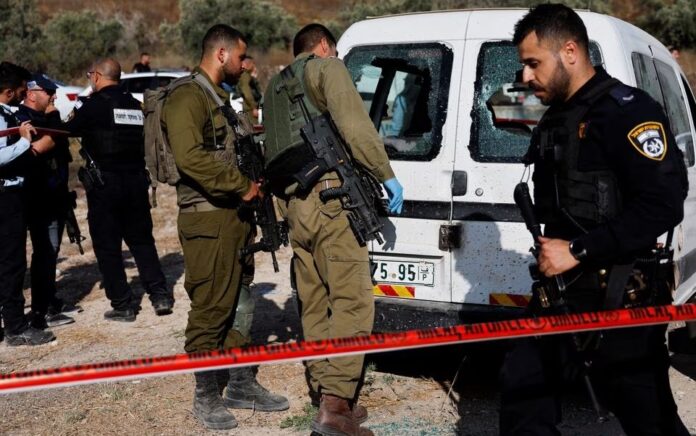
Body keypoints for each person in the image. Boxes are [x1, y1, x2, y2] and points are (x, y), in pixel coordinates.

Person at [499, 5, 690, 435]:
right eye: (522, 65)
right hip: (559, 291)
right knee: (523, 395)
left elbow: (663, 205)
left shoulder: (627, 111)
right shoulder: (547, 107)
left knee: (647, 415)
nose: (526, 77)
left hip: (620, 293)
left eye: (533, 63)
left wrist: (578, 250)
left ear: (571, 51)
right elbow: (490, 111)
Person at [263, 24, 404, 436]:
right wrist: (386, 173)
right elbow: (356, 126)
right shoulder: (327, 69)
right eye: (335, 50)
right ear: (324, 46)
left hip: (295, 207)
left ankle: (325, 392)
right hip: (331, 203)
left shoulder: (274, 88)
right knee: (352, 301)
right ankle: (337, 406)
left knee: (314, 301)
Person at [161, 24, 288, 430]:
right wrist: (241, 186)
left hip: (234, 217)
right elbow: (190, 158)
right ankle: (206, 395)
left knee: (240, 300)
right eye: (239, 56)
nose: (243, 64)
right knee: (212, 305)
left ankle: (239, 381)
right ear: (221, 54)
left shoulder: (220, 98)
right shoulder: (186, 97)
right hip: (208, 219)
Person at [64, 58, 173, 322]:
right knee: (142, 242)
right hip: (136, 182)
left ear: (98, 76)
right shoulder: (135, 106)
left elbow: (67, 130)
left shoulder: (92, 107)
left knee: (107, 246)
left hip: (105, 185)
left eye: (91, 75)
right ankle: (159, 295)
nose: (90, 79)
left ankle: (123, 304)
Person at [15, 74, 79, 329]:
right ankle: (37, 312)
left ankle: (47, 301)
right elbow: (33, 152)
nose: (53, 96)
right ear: (31, 94)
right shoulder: (20, 120)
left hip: (53, 197)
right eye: (48, 91)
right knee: (30, 258)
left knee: (48, 254)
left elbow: (60, 140)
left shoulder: (48, 117)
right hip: (30, 199)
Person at [0, 62, 57, 346]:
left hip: (13, 195)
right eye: (22, 90)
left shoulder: (8, 113)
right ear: (9, 91)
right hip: (6, 197)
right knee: (12, 263)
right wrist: (25, 144)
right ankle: (15, 326)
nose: (26, 95)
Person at [237, 56, 262, 123]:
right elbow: (246, 92)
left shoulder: (246, 75)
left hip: (248, 108)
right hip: (249, 109)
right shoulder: (245, 76)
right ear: (248, 64)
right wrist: (253, 107)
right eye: (253, 63)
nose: (254, 65)